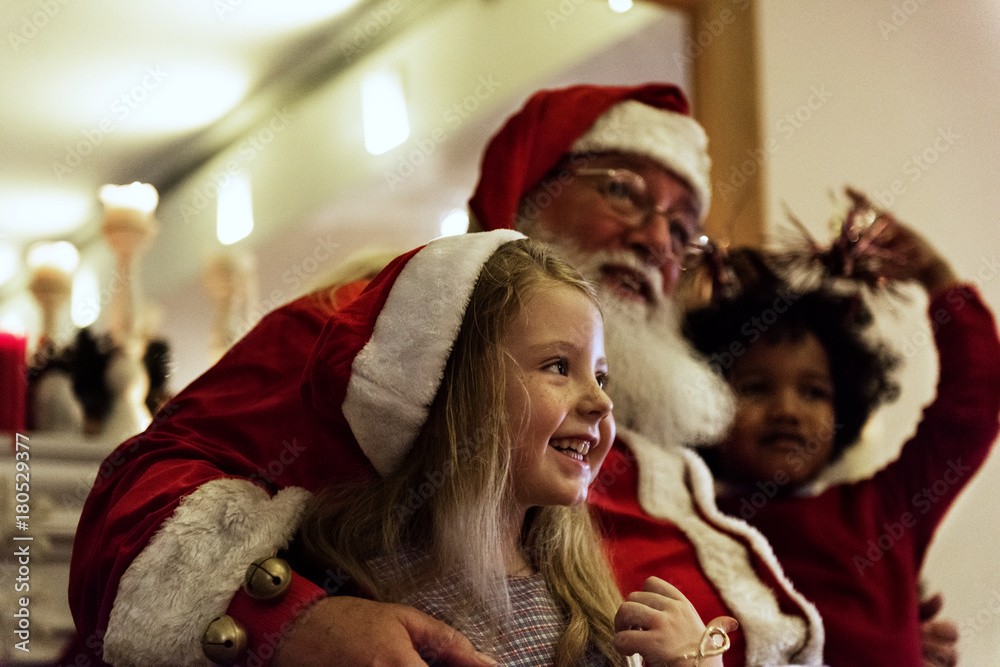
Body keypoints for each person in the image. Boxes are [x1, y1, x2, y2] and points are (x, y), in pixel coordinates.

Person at [65, 82, 942, 667]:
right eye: (624, 192)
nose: (655, 241)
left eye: (682, 228)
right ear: (526, 190)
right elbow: (137, 506)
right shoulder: (366, 335)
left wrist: (891, 633)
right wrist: (282, 618)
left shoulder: (664, 451)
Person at [293, 230, 737, 666]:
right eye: (559, 366)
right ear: (455, 391)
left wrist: (693, 662)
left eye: (601, 377)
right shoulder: (368, 603)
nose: (602, 401)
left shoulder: (578, 594)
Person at [681, 214, 1000, 666]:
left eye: (814, 391)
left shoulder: (885, 512)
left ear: (844, 408)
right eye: (755, 388)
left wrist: (936, 277)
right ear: (705, 401)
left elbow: (971, 409)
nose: (787, 411)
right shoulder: (683, 525)